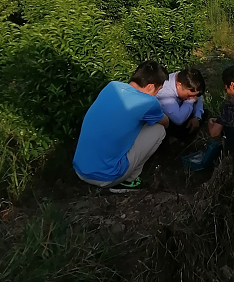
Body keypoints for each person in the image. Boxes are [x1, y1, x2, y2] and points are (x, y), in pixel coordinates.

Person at [73, 61, 169, 192]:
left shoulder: (112, 86)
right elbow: (165, 122)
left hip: (79, 169)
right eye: (159, 90)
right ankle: (129, 181)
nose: (157, 93)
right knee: (158, 130)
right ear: (151, 86)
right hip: (106, 177)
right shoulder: (149, 102)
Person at [156, 67, 206, 140]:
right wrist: (190, 101)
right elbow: (178, 119)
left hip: (179, 111)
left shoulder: (184, 80)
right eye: (189, 95)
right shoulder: (164, 93)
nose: (192, 97)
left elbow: (198, 97)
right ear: (179, 85)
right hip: (165, 119)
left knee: (203, 113)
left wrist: (197, 117)